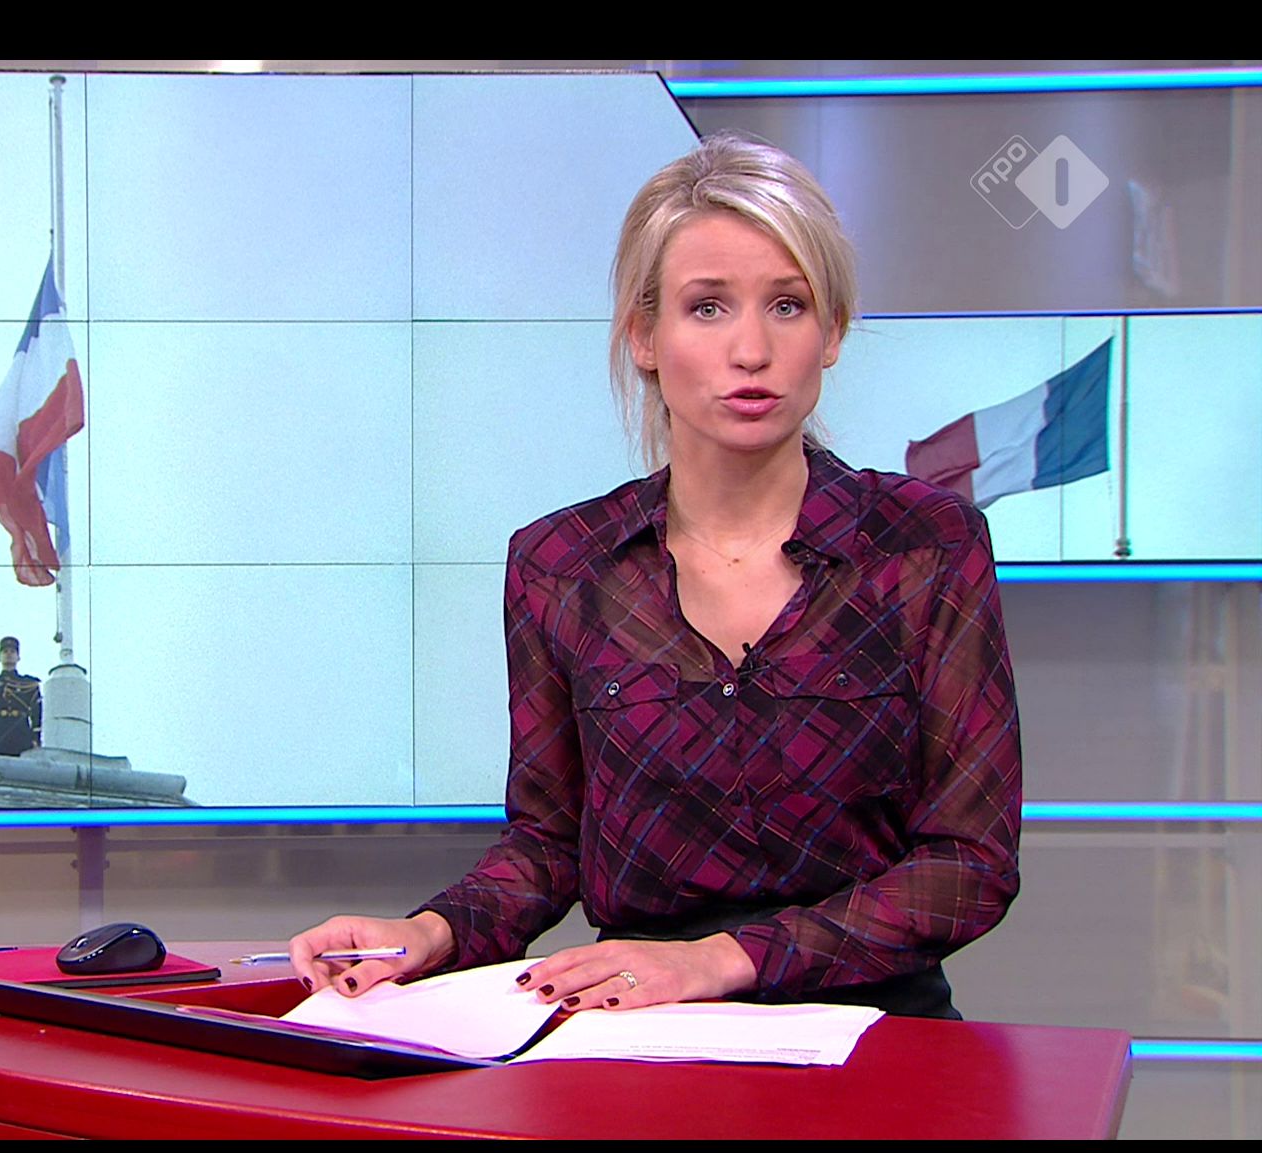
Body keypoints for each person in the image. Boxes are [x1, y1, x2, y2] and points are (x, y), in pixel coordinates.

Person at [289, 131, 1022, 1020]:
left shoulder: (924, 545)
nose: (751, 349)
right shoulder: (563, 566)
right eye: (708, 307)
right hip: (641, 1028)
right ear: (644, 334)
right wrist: (431, 932)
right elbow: (550, 842)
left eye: (787, 306)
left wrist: (720, 961)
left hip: (873, 1026)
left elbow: (969, 865)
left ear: (831, 332)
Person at [0, 636, 43, 759]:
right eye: (5, 651)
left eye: (12, 651)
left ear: (18, 657)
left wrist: (36, 739)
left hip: (21, 734)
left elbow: (37, 714)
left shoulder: (29, 684)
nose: (9, 654)